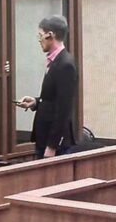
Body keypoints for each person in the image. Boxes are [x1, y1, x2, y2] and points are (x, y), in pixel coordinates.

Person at [16, 15, 77, 158]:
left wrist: (52, 146)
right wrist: (36, 102)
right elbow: (53, 99)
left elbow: (64, 109)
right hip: (44, 138)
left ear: (50, 35)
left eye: (40, 35)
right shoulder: (56, 60)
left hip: (54, 145)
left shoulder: (65, 64)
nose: (39, 40)